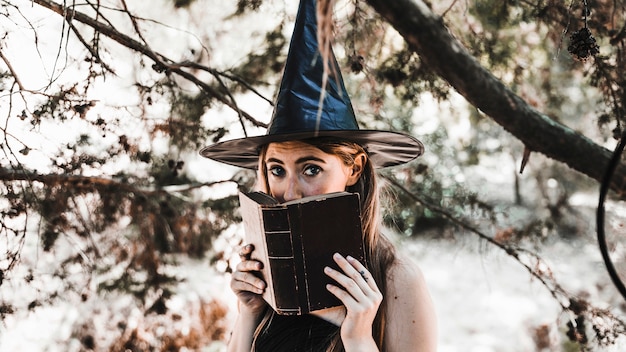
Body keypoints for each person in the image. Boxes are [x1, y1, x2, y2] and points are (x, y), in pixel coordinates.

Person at [200, 1, 437, 351]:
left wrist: (357, 337)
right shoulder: (270, 270)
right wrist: (249, 313)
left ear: (354, 168)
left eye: (311, 169)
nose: (290, 192)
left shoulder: (397, 279)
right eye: (276, 170)